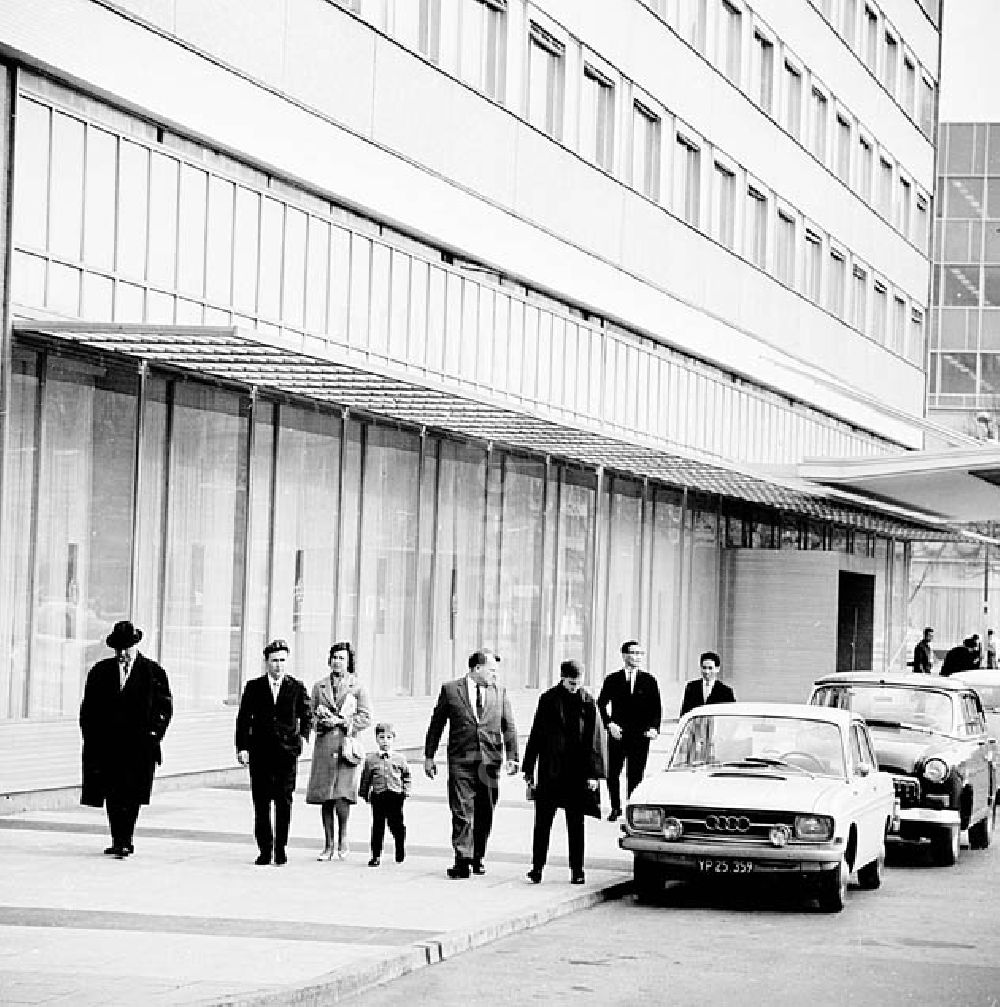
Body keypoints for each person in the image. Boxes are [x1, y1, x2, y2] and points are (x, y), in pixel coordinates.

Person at [79, 621, 172, 858]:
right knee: (112, 793)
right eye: (118, 649)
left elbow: (164, 709)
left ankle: (126, 838)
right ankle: (117, 838)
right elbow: (88, 710)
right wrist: (91, 738)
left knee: (132, 794)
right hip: (108, 746)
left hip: (139, 747)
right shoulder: (100, 672)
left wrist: (153, 735)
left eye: (127, 648)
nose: (122, 654)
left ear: (136, 645)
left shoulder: (153, 672)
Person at [424, 648, 519, 879]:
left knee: (485, 809)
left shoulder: (500, 691)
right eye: (492, 671)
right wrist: (429, 756)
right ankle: (462, 859)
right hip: (461, 759)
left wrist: (513, 757)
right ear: (477, 669)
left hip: (489, 761)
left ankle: (478, 856)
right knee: (461, 809)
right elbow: (437, 724)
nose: (495, 676)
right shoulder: (451, 690)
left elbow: (509, 725)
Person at [522, 660, 605, 886]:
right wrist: (528, 768)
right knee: (542, 823)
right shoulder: (548, 699)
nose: (574, 687)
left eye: (577, 683)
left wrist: (593, 775)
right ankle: (537, 868)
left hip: (577, 774)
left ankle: (577, 870)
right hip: (550, 770)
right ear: (562, 678)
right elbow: (536, 734)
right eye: (570, 683)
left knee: (576, 824)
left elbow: (595, 741)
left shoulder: (588, 702)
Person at [235, 638, 311, 866]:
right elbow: (242, 720)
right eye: (274, 660)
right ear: (266, 662)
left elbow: (306, 715)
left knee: (284, 802)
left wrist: (302, 738)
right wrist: (243, 748)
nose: (278, 665)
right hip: (260, 754)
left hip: (287, 755)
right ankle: (264, 849)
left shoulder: (296, 687)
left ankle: (280, 848)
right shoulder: (254, 687)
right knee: (261, 803)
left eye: (282, 661)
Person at [306, 641, 372, 860]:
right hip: (325, 746)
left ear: (349, 662)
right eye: (334, 657)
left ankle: (343, 836)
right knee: (325, 796)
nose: (337, 661)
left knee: (342, 795)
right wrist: (320, 721)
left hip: (346, 748)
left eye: (342, 658)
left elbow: (366, 717)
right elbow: (309, 717)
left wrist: (344, 721)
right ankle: (328, 844)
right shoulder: (319, 686)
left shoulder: (358, 687)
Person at [597, 640, 662, 822]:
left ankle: (631, 809)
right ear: (624, 655)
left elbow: (656, 708)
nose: (637, 657)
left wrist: (654, 728)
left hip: (640, 735)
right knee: (613, 773)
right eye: (633, 653)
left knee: (636, 774)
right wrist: (609, 724)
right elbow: (600, 704)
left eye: (640, 654)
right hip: (618, 734)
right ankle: (615, 807)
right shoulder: (613, 679)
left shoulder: (649, 680)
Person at [359, 722, 411, 867]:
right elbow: (366, 778)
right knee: (378, 826)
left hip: (395, 795)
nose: (385, 741)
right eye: (382, 737)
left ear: (394, 739)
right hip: (379, 795)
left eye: (389, 737)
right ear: (376, 739)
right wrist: (364, 793)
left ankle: (399, 847)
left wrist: (406, 791)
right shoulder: (371, 760)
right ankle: (376, 855)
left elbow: (406, 775)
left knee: (396, 824)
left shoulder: (400, 759)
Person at [679, 651, 736, 717]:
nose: (707, 671)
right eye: (704, 668)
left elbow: (731, 717)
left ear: (717, 669)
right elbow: (684, 713)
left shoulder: (726, 692)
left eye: (710, 668)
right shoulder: (691, 687)